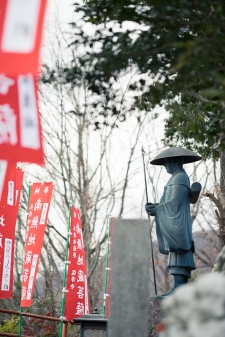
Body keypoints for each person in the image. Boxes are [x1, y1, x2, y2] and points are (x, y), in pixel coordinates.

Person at [145, 147, 202, 296]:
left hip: (178, 221)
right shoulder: (177, 177)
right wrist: (156, 207)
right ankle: (179, 288)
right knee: (176, 252)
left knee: (179, 251)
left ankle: (179, 287)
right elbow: (169, 202)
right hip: (176, 220)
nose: (165, 166)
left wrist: (158, 209)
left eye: (167, 162)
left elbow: (174, 203)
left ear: (176, 161)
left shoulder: (180, 178)